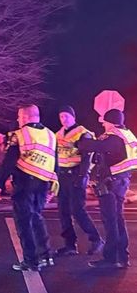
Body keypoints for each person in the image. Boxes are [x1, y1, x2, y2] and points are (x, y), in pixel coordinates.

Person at [0, 105, 56, 271]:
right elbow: (55, 163)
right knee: (37, 217)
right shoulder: (51, 135)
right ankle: (46, 255)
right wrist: (53, 186)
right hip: (43, 183)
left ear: (26, 117)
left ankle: (31, 260)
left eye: (19, 117)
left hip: (24, 183)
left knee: (24, 222)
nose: (18, 120)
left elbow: (9, 162)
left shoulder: (19, 134)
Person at [78, 108, 136, 269]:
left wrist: (82, 141)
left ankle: (111, 258)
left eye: (104, 121)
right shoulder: (128, 134)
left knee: (111, 222)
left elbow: (96, 146)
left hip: (112, 184)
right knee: (118, 220)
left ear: (111, 122)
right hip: (122, 181)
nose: (102, 124)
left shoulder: (115, 137)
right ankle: (122, 257)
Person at [54, 105, 103, 257]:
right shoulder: (58, 134)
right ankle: (69, 245)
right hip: (62, 175)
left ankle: (96, 239)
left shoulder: (83, 133)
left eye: (66, 116)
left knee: (77, 210)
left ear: (73, 117)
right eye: (61, 116)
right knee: (63, 211)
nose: (64, 119)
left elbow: (87, 158)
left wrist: (82, 177)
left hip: (76, 174)